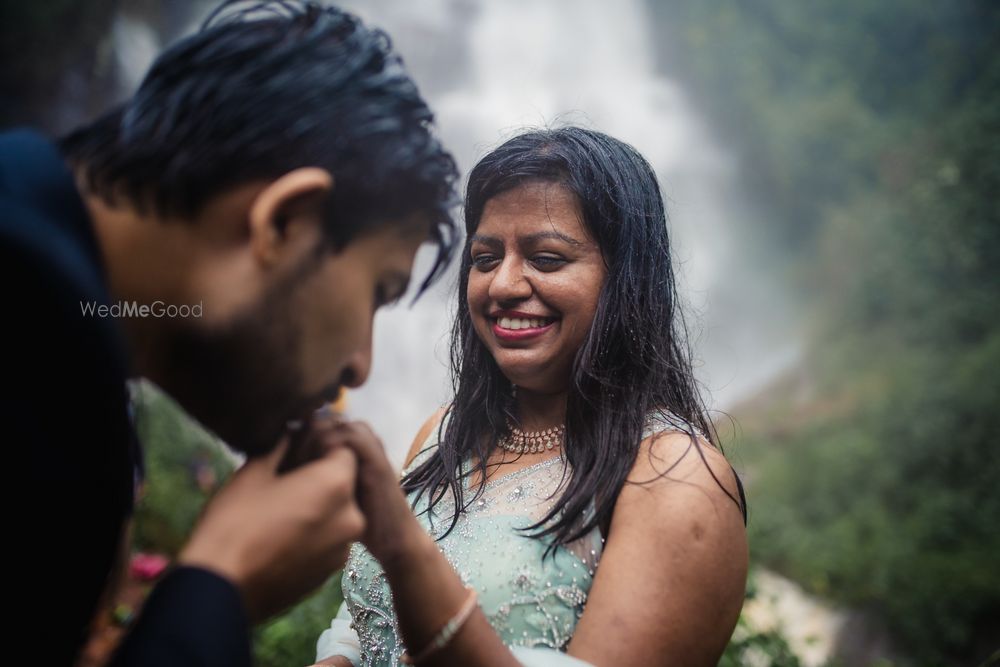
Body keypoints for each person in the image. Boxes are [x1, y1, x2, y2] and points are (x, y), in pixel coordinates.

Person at [1, 1, 457, 664]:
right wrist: (222, 582)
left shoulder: (57, 314)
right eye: (377, 292)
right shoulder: (28, 307)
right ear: (283, 223)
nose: (360, 364)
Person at [313, 127, 749, 667]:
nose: (502, 285)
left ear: (625, 281)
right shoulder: (442, 433)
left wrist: (405, 551)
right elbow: (362, 632)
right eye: (486, 257)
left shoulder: (674, 478)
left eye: (546, 258)